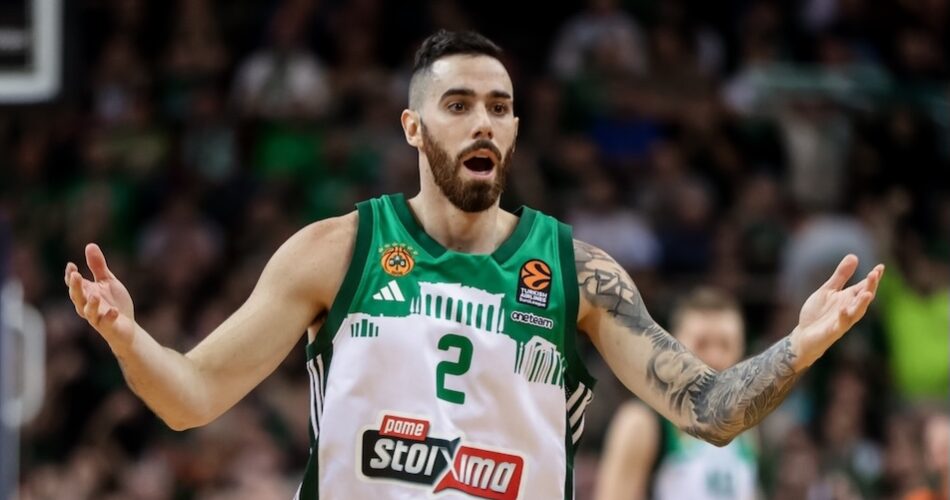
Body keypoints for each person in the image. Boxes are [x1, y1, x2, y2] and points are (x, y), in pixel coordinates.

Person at [64, 30, 884, 499]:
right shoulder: (337, 250)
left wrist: (800, 344)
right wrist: (131, 340)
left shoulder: (577, 272)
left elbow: (708, 408)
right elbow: (192, 397)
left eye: (499, 107)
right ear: (413, 128)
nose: (482, 122)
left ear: (517, 130)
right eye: (457, 105)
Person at [595, 288, 758, 500]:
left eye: (725, 345)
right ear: (674, 346)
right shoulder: (641, 423)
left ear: (741, 349)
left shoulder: (747, 430)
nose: (715, 357)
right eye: (702, 344)